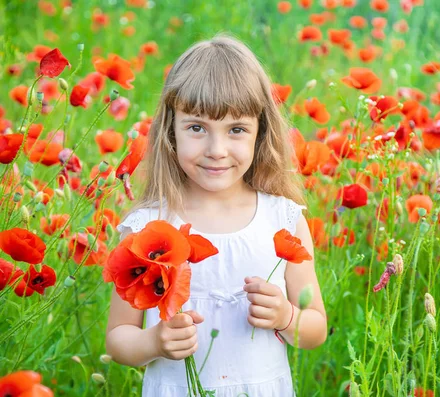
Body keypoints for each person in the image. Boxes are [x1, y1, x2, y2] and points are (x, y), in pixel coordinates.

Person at [104, 34, 328, 397]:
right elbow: (118, 339)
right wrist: (154, 342)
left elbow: (315, 328)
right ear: (170, 132)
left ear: (260, 134)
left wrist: (287, 317)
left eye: (237, 130)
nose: (216, 150)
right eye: (196, 128)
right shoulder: (147, 228)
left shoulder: (283, 219)